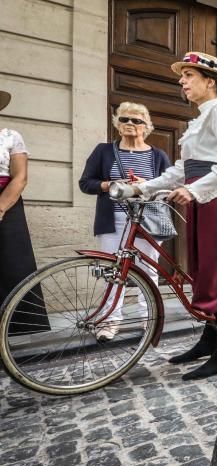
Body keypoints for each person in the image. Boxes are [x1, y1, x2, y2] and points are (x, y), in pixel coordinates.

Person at [124, 51, 217, 380]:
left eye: (189, 76)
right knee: (205, 269)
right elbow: (183, 169)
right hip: (205, 199)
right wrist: (144, 188)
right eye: (182, 76)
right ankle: (211, 340)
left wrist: (195, 190)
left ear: (209, 81)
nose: (182, 82)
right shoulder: (199, 120)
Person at [79, 102, 172, 341]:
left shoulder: (158, 156)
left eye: (137, 120)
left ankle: (148, 318)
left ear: (146, 127)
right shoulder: (103, 151)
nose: (130, 124)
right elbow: (86, 183)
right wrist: (110, 185)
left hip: (147, 220)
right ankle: (110, 320)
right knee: (112, 271)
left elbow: (169, 189)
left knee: (149, 271)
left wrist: (146, 185)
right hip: (113, 220)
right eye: (125, 120)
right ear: (117, 125)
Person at [0, 90, 50, 336]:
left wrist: (1, 207)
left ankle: (16, 329)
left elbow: (20, 177)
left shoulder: (10, 136)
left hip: (7, 202)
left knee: (11, 263)